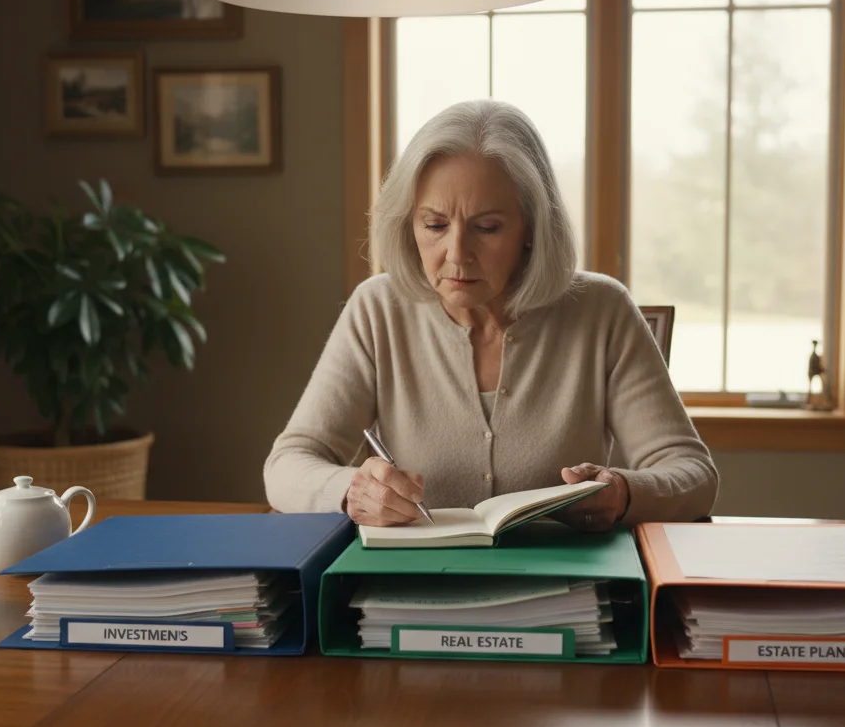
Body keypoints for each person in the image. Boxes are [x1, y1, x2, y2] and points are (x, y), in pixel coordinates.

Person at [264, 99, 717, 530]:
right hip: (403, 589)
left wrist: (623, 492)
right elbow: (287, 465)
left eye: (487, 228)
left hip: (568, 591)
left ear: (531, 228)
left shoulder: (602, 310)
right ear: (409, 223)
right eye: (435, 224)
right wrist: (352, 491)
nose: (457, 254)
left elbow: (693, 473)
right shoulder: (377, 309)